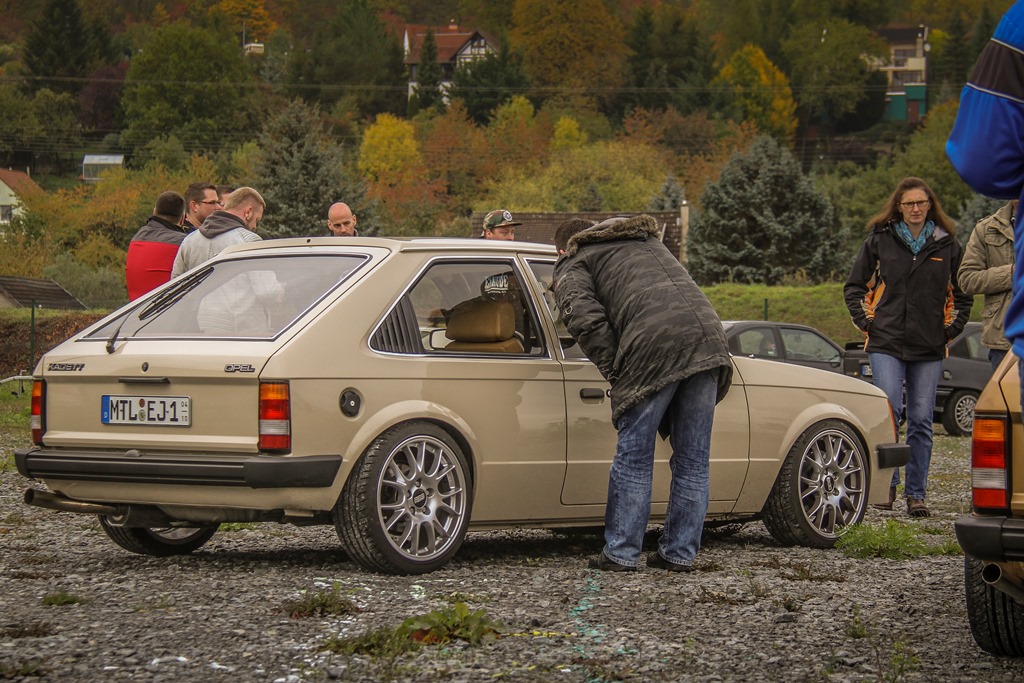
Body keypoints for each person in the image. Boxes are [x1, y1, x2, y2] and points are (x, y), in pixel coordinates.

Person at [553, 215, 733, 572]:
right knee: (693, 460)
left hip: (653, 346)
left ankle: (621, 552)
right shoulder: (647, 243)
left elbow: (584, 320)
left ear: (562, 249)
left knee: (634, 455)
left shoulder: (575, 260)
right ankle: (679, 554)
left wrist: (618, 372)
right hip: (710, 340)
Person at [844, 177, 972, 518]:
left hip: (929, 346)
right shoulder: (880, 241)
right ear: (898, 207)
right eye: (909, 204)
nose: (915, 209)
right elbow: (855, 287)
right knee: (890, 416)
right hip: (885, 342)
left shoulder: (947, 245)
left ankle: (917, 496)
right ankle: (886, 488)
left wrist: (948, 331)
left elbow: (962, 296)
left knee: (920, 420)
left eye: (921, 203)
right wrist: (869, 324)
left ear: (930, 206)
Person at [958, 201, 1016, 369]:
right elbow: (966, 279)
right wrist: (1011, 272)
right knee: (1008, 396)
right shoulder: (986, 228)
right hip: (1004, 342)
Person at [172, 187, 265, 277]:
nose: (255, 226)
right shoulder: (249, 241)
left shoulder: (189, 241)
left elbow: (176, 284)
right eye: (256, 220)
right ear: (248, 212)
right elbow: (266, 288)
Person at [125, 191, 187, 300]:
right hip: (168, 310)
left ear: (154, 212)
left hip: (136, 309)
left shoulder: (136, 238)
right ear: (182, 218)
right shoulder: (183, 243)